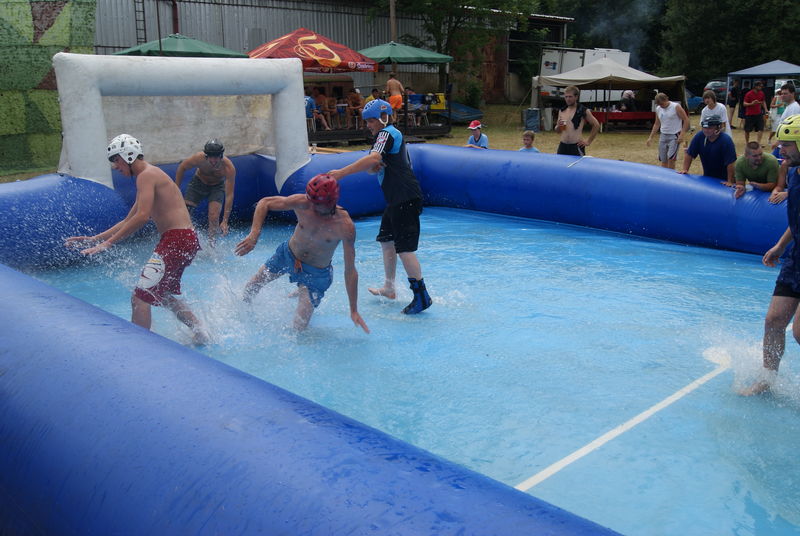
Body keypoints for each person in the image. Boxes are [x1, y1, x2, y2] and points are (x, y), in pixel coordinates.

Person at [65, 134, 208, 344]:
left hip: (177, 239)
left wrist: (108, 244)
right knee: (162, 294)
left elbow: (142, 217)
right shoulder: (149, 175)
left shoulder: (146, 175)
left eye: (116, 160)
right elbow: (128, 220)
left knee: (140, 297)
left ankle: (139, 348)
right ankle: (201, 332)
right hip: (184, 239)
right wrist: (94, 239)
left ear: (128, 156)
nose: (115, 167)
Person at [327, 99, 432, 315]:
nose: (368, 125)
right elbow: (374, 165)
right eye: (367, 121)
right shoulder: (387, 136)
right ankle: (389, 287)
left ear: (384, 118)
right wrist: (374, 167)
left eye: (371, 121)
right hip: (397, 199)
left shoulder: (386, 133)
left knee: (404, 248)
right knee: (386, 239)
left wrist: (341, 173)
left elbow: (373, 158)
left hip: (404, 197)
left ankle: (421, 296)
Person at [235, 174, 369, 332]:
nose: (313, 206)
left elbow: (350, 270)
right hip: (287, 255)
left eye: (317, 203)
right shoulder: (303, 203)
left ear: (332, 201)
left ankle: (302, 290)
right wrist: (254, 234)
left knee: (299, 327)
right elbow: (265, 203)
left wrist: (353, 309)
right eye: (311, 200)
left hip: (316, 274)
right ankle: (242, 314)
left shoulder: (344, 226)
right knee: (252, 287)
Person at [742, 114, 800, 396]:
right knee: (774, 320)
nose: (780, 149)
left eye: (787, 144)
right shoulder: (792, 173)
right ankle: (766, 380)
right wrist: (780, 245)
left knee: (799, 332)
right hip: (796, 258)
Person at [174, 140, 236, 244]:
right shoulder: (199, 158)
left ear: (221, 156)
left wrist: (225, 221)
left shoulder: (228, 168)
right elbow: (182, 167)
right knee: (186, 212)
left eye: (216, 158)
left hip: (217, 186)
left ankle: (212, 244)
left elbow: (229, 195)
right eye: (210, 157)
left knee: (214, 216)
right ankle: (184, 240)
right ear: (206, 156)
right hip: (198, 182)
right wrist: (176, 189)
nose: (213, 161)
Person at [678, 117, 736, 183]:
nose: (706, 130)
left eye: (710, 128)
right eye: (704, 128)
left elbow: (730, 163)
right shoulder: (699, 136)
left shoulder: (726, 140)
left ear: (718, 128)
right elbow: (690, 154)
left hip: (724, 178)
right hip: (708, 177)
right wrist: (685, 169)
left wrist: (729, 181)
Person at [646, 92, 690, 169]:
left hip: (674, 135)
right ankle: (664, 175)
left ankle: (671, 174)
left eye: (662, 104)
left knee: (671, 158)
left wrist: (682, 135)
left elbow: (686, 120)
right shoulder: (658, 109)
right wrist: (650, 137)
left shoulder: (676, 106)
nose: (661, 106)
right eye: (659, 104)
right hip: (663, 135)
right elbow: (657, 124)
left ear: (666, 99)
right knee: (663, 159)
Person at [555, 85, 600, 156]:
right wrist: (558, 126)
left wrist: (588, 141)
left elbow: (596, 125)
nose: (568, 99)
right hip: (563, 146)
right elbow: (559, 131)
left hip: (576, 146)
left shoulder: (582, 110)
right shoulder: (562, 111)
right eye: (566, 97)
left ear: (576, 97)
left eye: (570, 96)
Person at [742, 80, 768, 145]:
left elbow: (763, 101)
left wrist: (766, 109)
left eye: (761, 86)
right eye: (760, 86)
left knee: (761, 128)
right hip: (749, 114)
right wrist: (751, 103)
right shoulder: (749, 94)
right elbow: (744, 103)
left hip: (758, 113)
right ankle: (747, 142)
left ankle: (758, 142)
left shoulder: (761, 93)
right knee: (747, 130)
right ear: (755, 86)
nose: (761, 88)